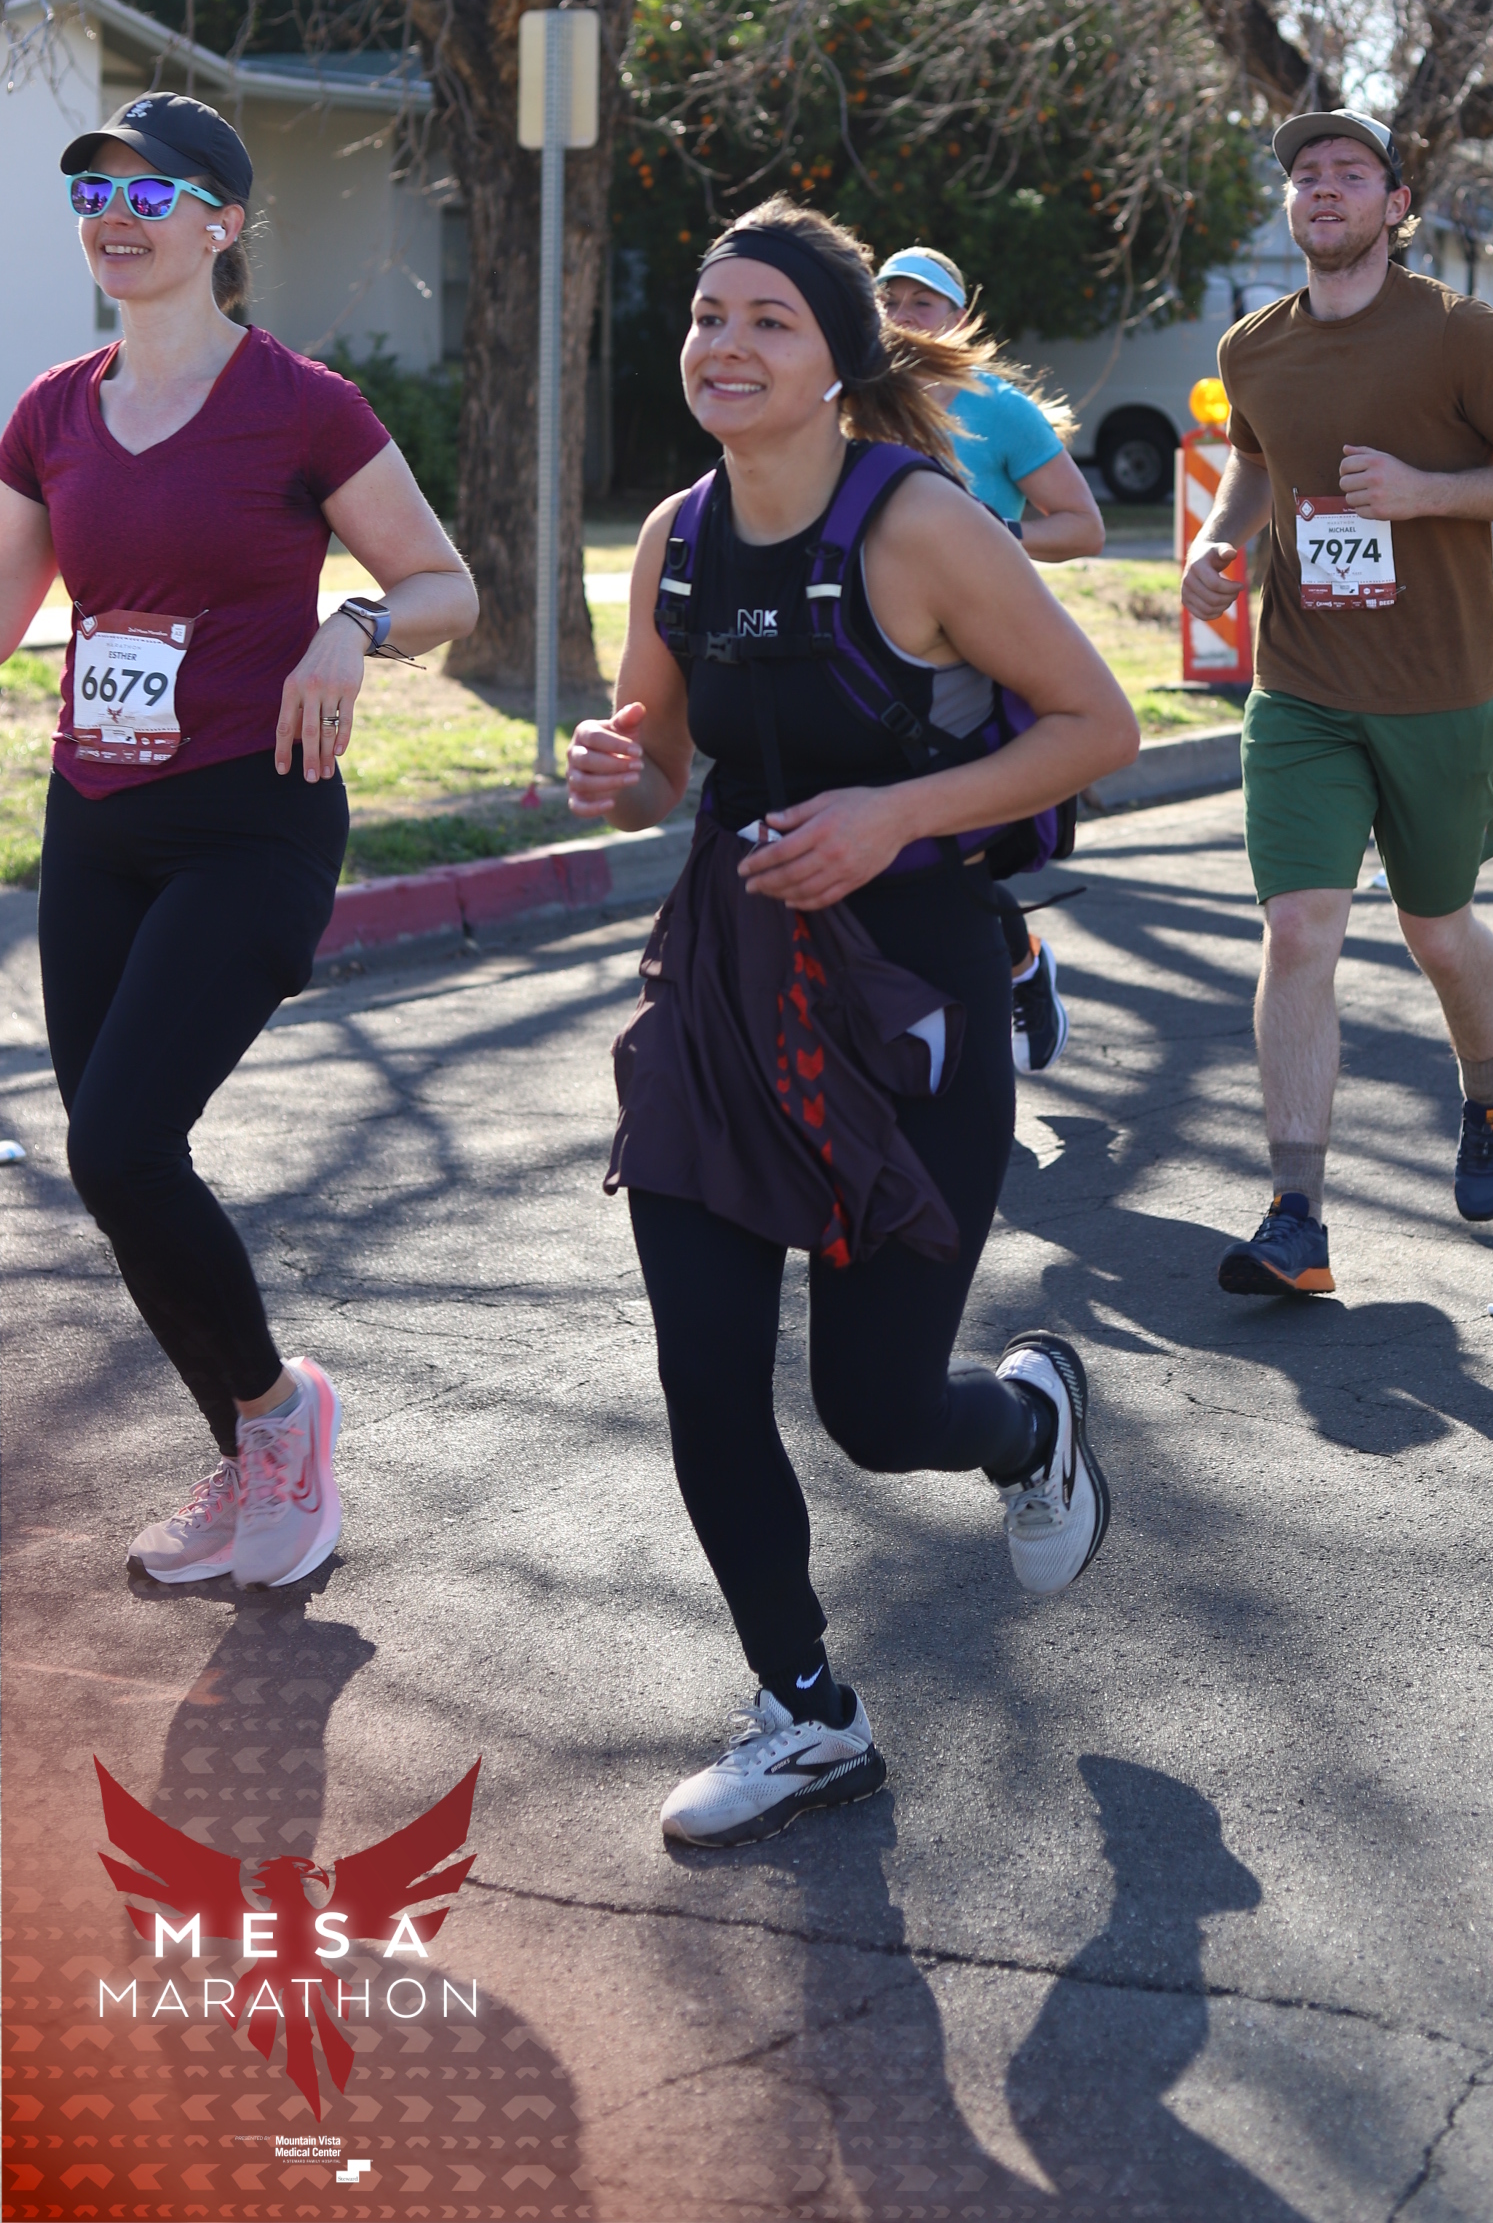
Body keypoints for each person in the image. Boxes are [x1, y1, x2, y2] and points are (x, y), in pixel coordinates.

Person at [569, 199, 1138, 1850]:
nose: (725, 345)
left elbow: (1094, 725)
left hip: (911, 994)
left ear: (837, 364)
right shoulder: (675, 537)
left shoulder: (922, 525)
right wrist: (621, 773)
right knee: (704, 1371)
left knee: (877, 1415)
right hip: (725, 988)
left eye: (769, 321)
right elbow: (662, 764)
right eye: (707, 315)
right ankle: (807, 1714)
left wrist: (894, 817)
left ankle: (1027, 1425)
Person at [0, 94, 478, 1584]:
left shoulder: (302, 406)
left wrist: (353, 625)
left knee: (124, 1141)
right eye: (95, 193)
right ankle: (253, 1446)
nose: (117, 217)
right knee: (115, 1168)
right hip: (97, 819)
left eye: (152, 193)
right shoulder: (51, 413)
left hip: (253, 819)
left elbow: (446, 585)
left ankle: (277, 1424)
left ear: (222, 223)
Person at [1181, 112, 1493, 1297]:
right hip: (1301, 686)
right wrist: (1220, 540)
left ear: (1394, 205)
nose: (1323, 188)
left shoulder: (1459, 333)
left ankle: (1489, 1084)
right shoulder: (1252, 348)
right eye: (1305, 175)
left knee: (1435, 933)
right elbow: (1259, 460)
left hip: (1437, 690)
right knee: (1299, 929)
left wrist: (1422, 491)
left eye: (1350, 174)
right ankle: (1295, 1216)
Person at [876, 243, 1104, 1074]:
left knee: (946, 851)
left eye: (923, 302)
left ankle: (1016, 969)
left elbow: (1083, 526)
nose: (903, 315)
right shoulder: (850, 400)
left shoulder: (999, 409)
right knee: (892, 851)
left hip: (982, 658)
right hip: (876, 653)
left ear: (958, 316)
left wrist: (994, 535)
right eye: (889, 299)